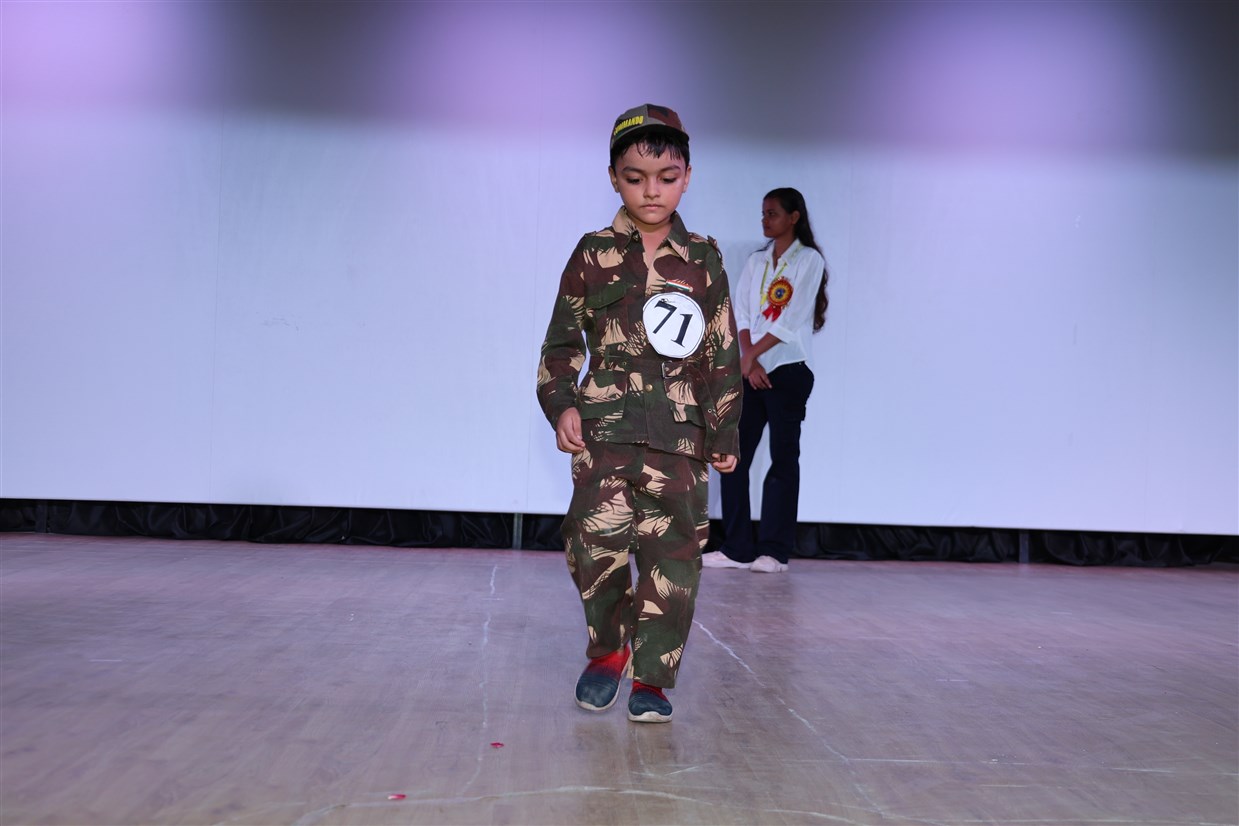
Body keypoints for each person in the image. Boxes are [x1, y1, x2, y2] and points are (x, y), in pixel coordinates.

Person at [536, 104, 742, 723]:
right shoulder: (592, 253)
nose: (652, 191)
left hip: (680, 436)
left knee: (673, 558)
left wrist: (725, 428)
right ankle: (608, 650)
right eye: (635, 177)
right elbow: (560, 345)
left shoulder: (703, 258)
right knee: (591, 545)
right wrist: (561, 405)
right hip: (604, 432)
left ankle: (652, 677)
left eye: (667, 177)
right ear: (613, 178)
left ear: (687, 177)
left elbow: (720, 351)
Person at [702, 187, 829, 574]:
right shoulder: (757, 261)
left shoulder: (808, 260)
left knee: (782, 460)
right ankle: (737, 547)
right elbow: (741, 312)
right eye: (763, 213)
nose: (765, 220)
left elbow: (792, 319)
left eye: (772, 213)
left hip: (788, 369)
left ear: (794, 217)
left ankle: (774, 550)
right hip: (751, 369)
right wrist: (747, 358)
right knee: (733, 457)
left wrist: (751, 356)